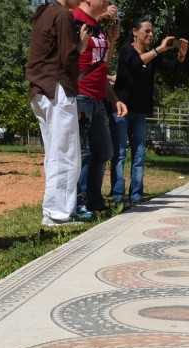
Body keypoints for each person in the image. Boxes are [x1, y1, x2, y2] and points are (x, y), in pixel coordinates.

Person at [111, 18, 189, 208]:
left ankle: (136, 195)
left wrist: (181, 55)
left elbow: (171, 69)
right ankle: (117, 196)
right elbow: (135, 64)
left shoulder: (152, 56)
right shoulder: (126, 51)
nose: (151, 35)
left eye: (152, 32)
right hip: (122, 108)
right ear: (135, 32)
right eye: (147, 31)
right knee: (120, 153)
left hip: (140, 111)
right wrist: (159, 49)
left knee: (139, 154)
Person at [27, 0, 85, 227]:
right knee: (67, 154)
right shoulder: (62, 15)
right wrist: (80, 45)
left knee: (54, 154)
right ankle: (58, 214)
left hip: (40, 89)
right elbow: (68, 57)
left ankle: (52, 211)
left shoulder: (44, 13)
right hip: (57, 90)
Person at [73, 0, 127, 217]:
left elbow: (102, 64)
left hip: (97, 98)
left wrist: (114, 99)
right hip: (80, 95)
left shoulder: (98, 28)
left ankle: (94, 199)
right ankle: (80, 201)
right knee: (84, 152)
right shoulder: (76, 19)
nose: (107, 3)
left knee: (104, 150)